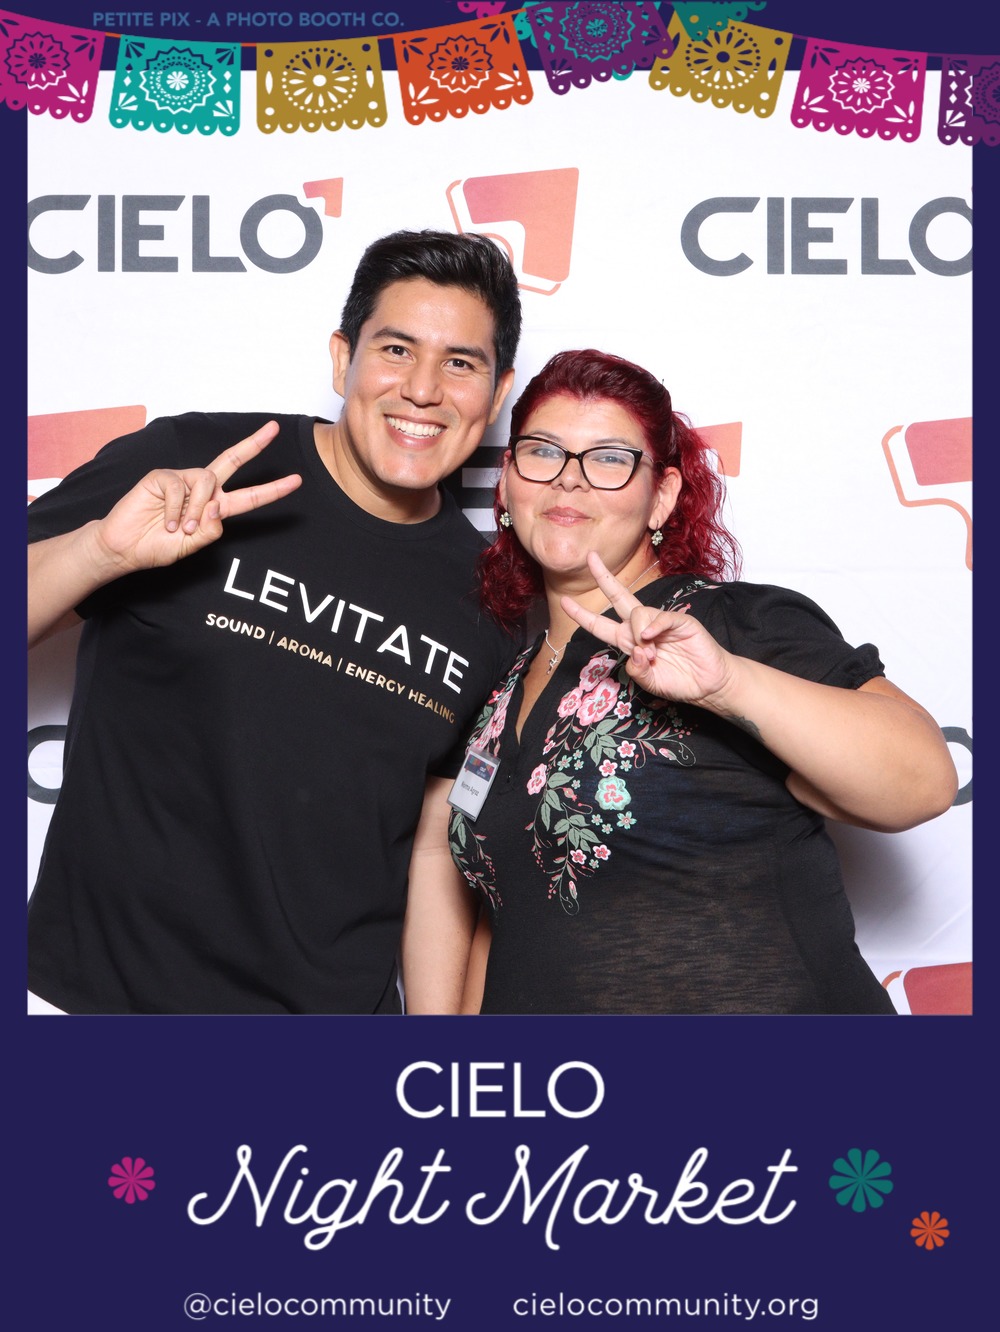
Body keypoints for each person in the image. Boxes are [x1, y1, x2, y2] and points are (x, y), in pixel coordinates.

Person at [27, 228, 522, 1015]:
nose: (424, 389)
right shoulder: (194, 463)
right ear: (342, 359)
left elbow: (436, 843)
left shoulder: (493, 602)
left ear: (496, 396)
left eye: (461, 363)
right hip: (93, 1008)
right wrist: (99, 553)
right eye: (396, 349)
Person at [447, 349, 958, 1015]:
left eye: (608, 459)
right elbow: (510, 917)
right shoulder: (508, 682)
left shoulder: (734, 624)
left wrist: (728, 685)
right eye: (542, 452)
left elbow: (923, 782)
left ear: (661, 497)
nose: (568, 479)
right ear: (508, 484)